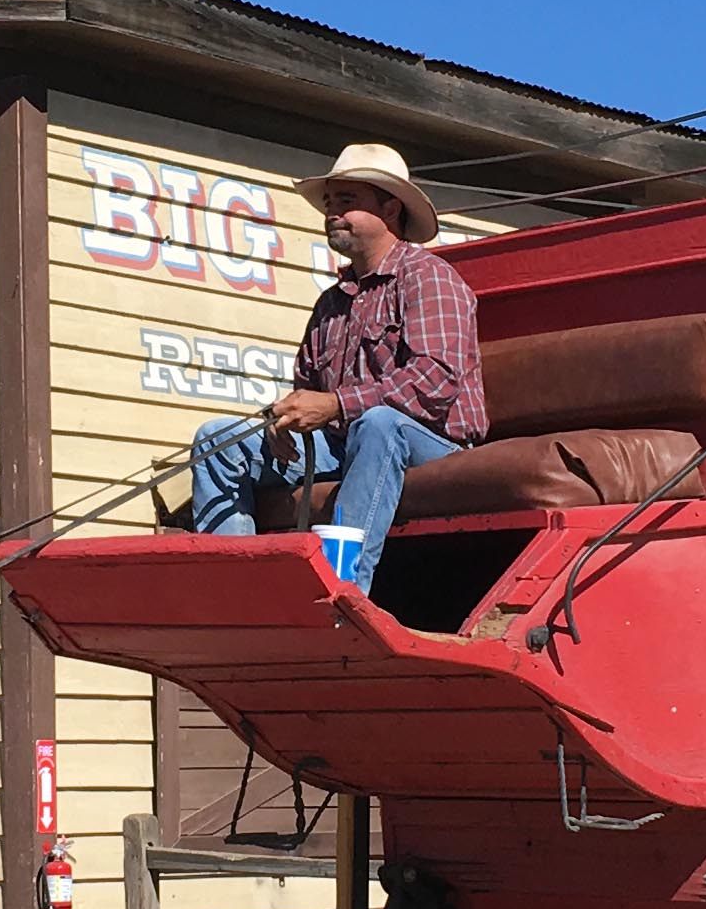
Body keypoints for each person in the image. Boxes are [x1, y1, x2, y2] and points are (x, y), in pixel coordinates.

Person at [186, 143, 486, 589]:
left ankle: (342, 588)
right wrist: (283, 420)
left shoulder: (430, 277)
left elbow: (434, 382)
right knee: (220, 440)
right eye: (330, 204)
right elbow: (308, 387)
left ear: (390, 207)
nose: (332, 214)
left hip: (435, 447)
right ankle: (234, 588)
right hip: (346, 443)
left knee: (381, 423)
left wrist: (334, 406)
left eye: (347, 202)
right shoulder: (330, 302)